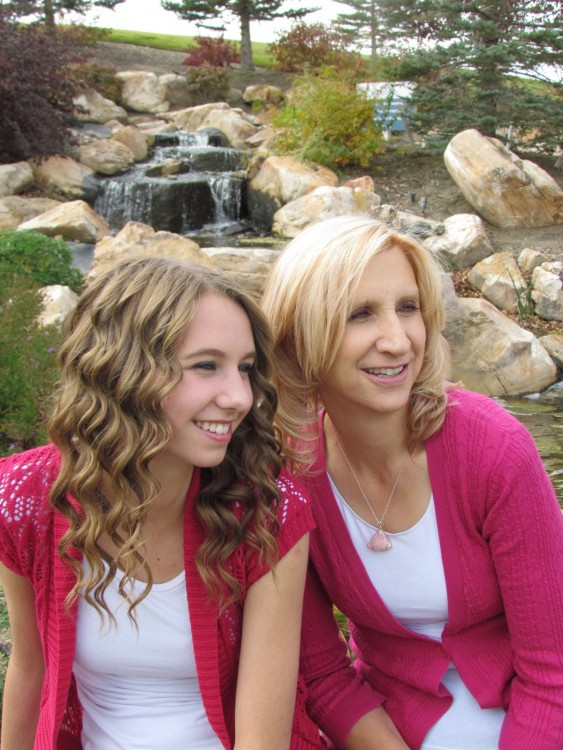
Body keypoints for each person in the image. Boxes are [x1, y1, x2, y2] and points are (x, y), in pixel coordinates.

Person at [261, 215, 563, 750]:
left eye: (408, 308)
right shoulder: (286, 476)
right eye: (360, 315)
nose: (398, 341)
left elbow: (554, 674)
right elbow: (324, 673)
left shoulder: (493, 450)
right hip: (394, 726)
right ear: (298, 338)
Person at [0, 256, 325, 750]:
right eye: (206, 366)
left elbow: (264, 735)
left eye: (246, 369)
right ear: (123, 371)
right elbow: (30, 669)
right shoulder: (26, 498)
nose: (239, 396)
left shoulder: (264, 508)